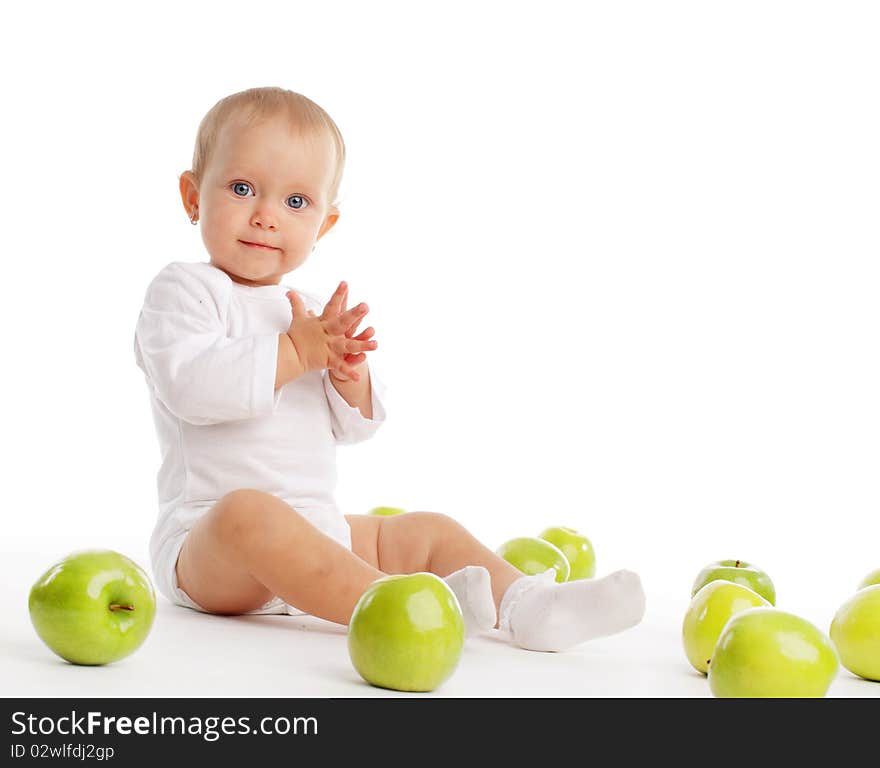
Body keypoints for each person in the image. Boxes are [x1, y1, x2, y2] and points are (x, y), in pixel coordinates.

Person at [133, 86, 646, 653]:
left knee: (425, 529)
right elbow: (193, 388)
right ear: (191, 197)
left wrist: (347, 377)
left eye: (295, 203)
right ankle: (408, 608)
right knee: (250, 512)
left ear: (323, 226)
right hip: (209, 545)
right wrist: (297, 354)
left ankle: (530, 606)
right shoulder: (184, 290)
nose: (265, 217)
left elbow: (353, 428)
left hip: (319, 528)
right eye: (242, 188)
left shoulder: (305, 310)